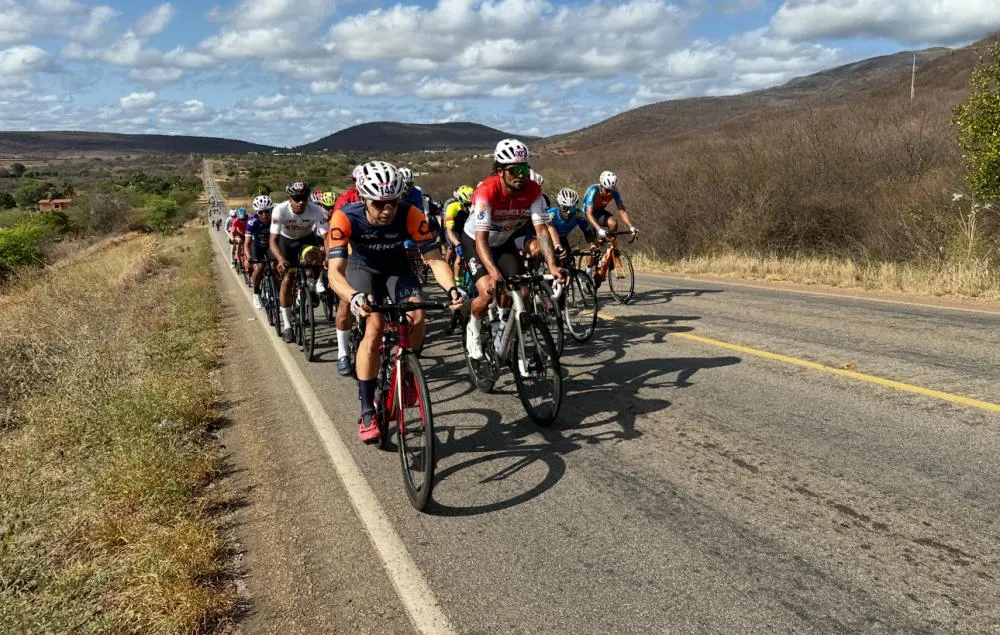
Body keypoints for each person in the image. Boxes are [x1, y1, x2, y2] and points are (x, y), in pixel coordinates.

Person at [326, 160, 464, 443]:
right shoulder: (344, 217)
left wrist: (452, 289)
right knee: (374, 326)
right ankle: (367, 409)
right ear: (362, 197)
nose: (387, 210)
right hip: (362, 267)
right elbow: (334, 273)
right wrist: (353, 297)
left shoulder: (410, 213)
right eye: (378, 204)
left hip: (396, 267)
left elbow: (434, 259)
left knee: (418, 315)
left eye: (392, 202)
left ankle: (408, 373)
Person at [461, 138, 565, 360]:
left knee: (523, 292)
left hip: (503, 242)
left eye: (524, 169)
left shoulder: (533, 190)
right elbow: (481, 240)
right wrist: (493, 272)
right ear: (500, 171)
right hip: (476, 242)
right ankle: (474, 326)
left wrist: (553, 265)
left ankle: (505, 331)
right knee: (488, 291)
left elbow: (542, 231)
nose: (521, 175)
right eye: (514, 170)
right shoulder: (486, 192)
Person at [269, 181, 329, 343]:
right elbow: (273, 240)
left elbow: (326, 237)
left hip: (305, 239)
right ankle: (288, 326)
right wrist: (280, 259)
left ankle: (310, 288)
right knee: (288, 279)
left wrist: (328, 257)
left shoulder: (316, 210)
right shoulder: (280, 210)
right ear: (289, 199)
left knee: (315, 259)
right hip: (286, 242)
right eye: (297, 199)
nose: (301, 202)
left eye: (304, 198)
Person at [582, 170, 638, 241]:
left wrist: (631, 227)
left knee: (613, 223)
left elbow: (622, 211)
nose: (609, 193)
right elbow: (589, 213)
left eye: (611, 190)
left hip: (599, 212)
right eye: (607, 190)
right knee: (594, 241)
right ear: (602, 186)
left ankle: (610, 244)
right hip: (587, 214)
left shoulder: (615, 192)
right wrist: (599, 229)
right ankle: (595, 243)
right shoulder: (593, 190)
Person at [244, 195, 275, 309]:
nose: (264, 215)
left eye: (267, 211)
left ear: (271, 210)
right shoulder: (252, 222)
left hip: (271, 245)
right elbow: (247, 244)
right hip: (257, 245)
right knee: (259, 268)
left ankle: (277, 290)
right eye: (261, 212)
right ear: (257, 212)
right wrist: (248, 257)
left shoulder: (275, 219)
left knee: (276, 266)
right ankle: (256, 293)